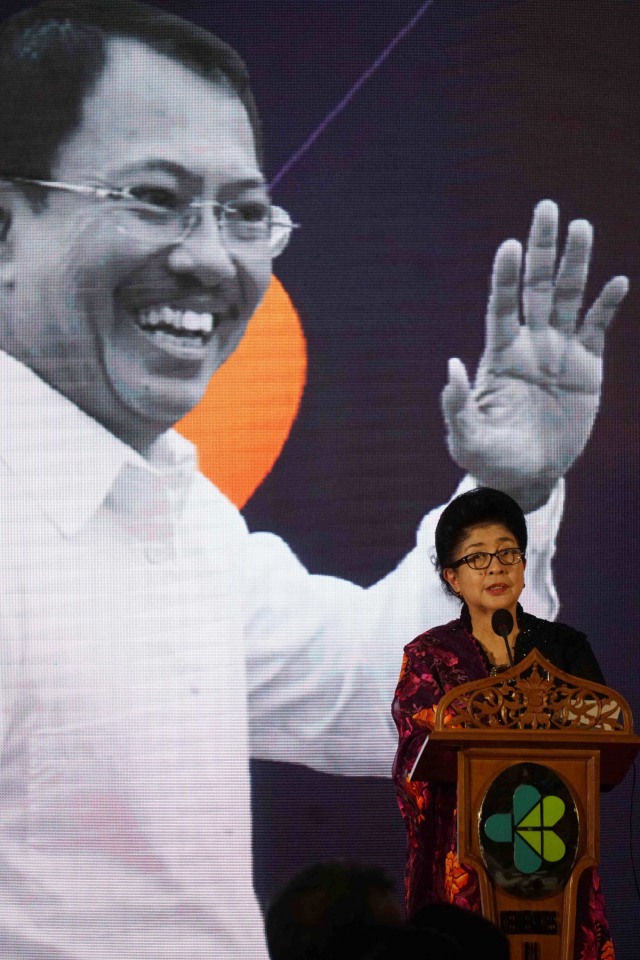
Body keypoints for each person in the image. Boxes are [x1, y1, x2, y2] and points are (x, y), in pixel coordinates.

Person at [0, 1, 627, 957]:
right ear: (7, 232)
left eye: (245, 214)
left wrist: (511, 493)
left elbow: (385, 696)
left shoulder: (179, 514)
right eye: (155, 198)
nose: (210, 257)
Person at [392, 486, 614, 959]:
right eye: (477, 558)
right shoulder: (430, 657)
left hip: (555, 846)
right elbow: (416, 756)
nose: (496, 567)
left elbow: (602, 737)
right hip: (471, 852)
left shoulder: (565, 647)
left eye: (507, 552)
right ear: (452, 577)